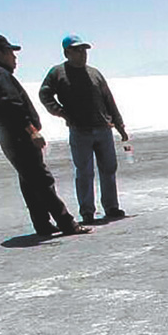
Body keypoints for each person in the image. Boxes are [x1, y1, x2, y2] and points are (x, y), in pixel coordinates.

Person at [0, 34, 90, 238]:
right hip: (18, 136)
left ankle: (42, 223)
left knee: (30, 182)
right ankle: (67, 223)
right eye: (10, 53)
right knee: (41, 179)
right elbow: (13, 106)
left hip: (12, 136)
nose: (15, 58)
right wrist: (32, 131)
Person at [39, 35, 128, 224]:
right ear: (66, 52)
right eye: (77, 50)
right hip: (80, 131)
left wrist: (120, 126)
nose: (82, 54)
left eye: (84, 50)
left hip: (103, 128)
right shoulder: (58, 72)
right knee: (85, 171)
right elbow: (44, 93)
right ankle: (87, 211)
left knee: (109, 168)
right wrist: (61, 112)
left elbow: (108, 100)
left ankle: (111, 207)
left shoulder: (94, 73)